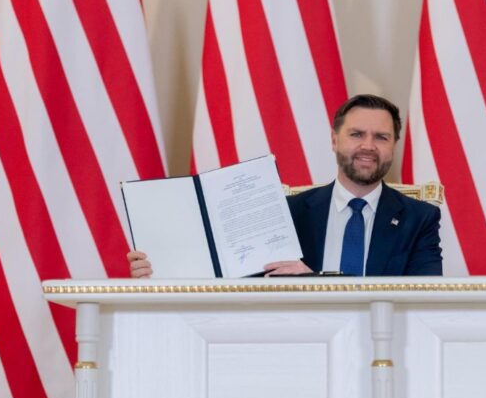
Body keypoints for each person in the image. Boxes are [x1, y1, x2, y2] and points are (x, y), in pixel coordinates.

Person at [128, 94, 443, 277]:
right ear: (334, 140)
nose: (368, 146)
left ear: (394, 145)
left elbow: (423, 299)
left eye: (381, 137)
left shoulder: (420, 219)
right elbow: (241, 281)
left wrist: (315, 284)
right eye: (357, 134)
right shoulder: (289, 211)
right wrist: (161, 269)